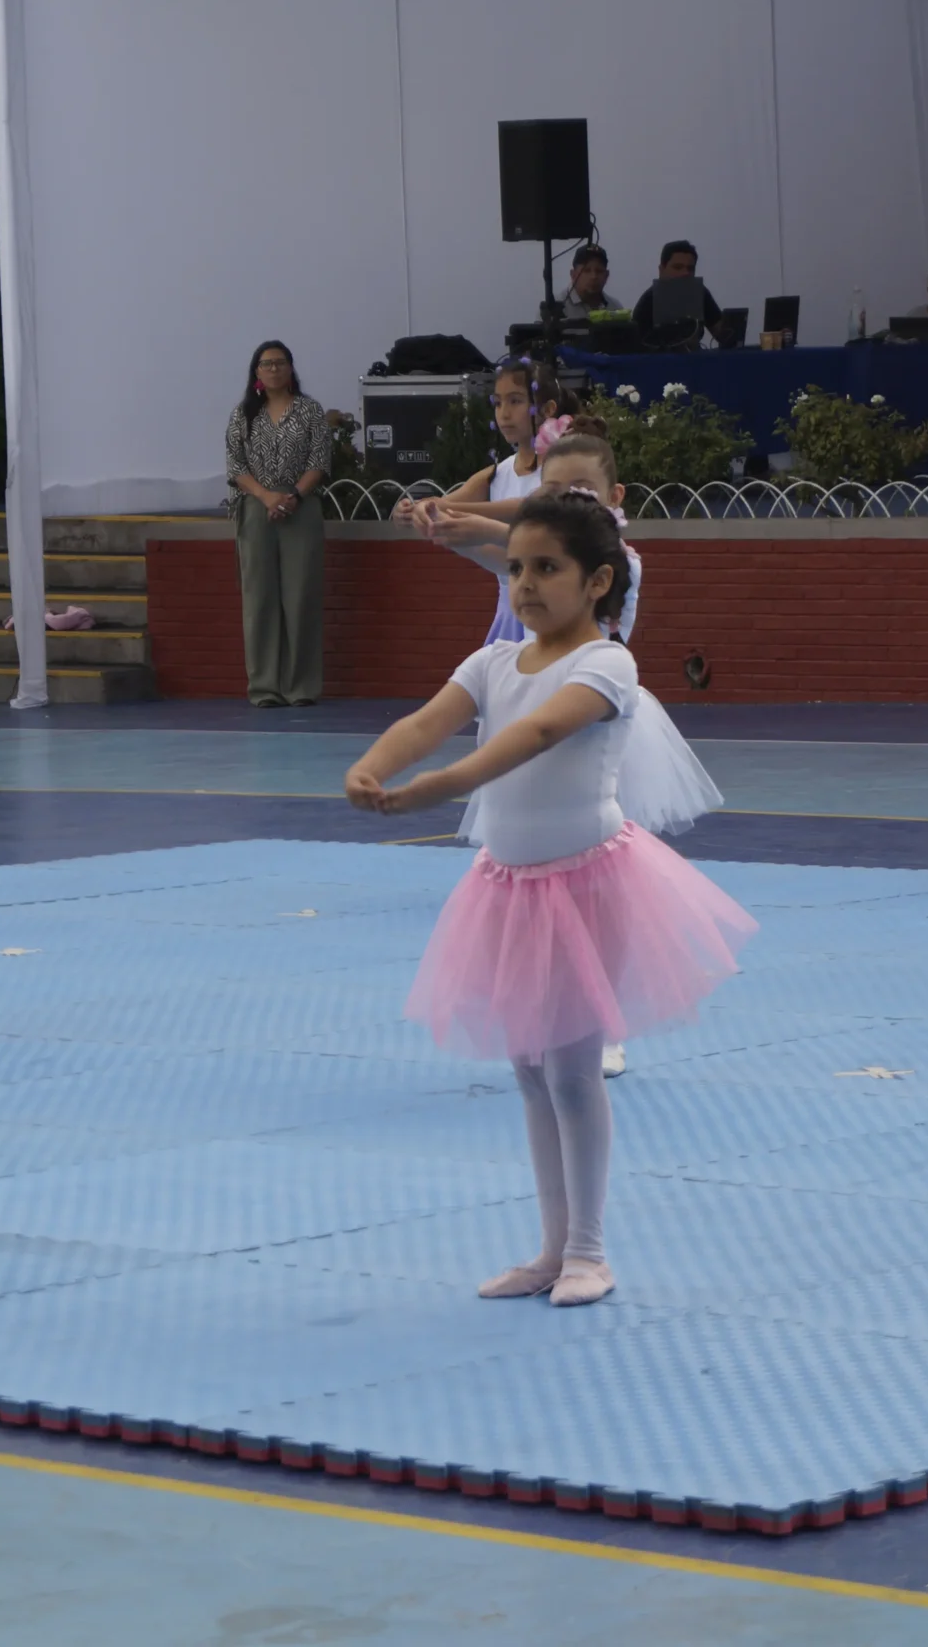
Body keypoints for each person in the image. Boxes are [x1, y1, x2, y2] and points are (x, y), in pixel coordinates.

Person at [345, 493, 755, 1306]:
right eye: (515, 569)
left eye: (546, 568)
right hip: (509, 888)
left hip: (588, 885)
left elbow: (532, 736)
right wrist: (375, 764)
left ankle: (590, 1252)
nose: (525, 584)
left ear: (598, 581)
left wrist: (439, 787)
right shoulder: (493, 662)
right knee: (529, 1069)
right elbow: (426, 722)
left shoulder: (606, 665)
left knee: (570, 1070)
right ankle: (551, 1248)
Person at [425, 416, 726, 1081]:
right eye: (553, 492)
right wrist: (446, 524)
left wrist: (469, 518)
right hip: (533, 712)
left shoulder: (622, 563)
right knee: (531, 885)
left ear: (614, 499)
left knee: (603, 887)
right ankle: (543, 1016)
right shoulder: (533, 558)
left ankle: (602, 1023)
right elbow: (496, 552)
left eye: (581, 492)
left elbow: (509, 538)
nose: (566, 503)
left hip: (601, 721)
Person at [392, 358, 568, 646]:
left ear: (548, 409)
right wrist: (413, 511)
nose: (504, 413)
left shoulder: (565, 468)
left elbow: (525, 508)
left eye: (515, 401)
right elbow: (439, 508)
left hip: (553, 612)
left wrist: (445, 510)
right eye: (498, 403)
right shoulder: (495, 474)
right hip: (510, 616)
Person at [226, 340, 332, 708]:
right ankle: (265, 687)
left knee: (300, 597)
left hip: (300, 506)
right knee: (260, 600)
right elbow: (236, 466)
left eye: (280, 363)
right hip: (257, 507)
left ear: (290, 368)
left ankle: (300, 687)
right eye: (266, 363)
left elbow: (319, 461)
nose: (274, 369)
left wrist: (292, 497)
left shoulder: (309, 410)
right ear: (256, 371)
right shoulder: (244, 414)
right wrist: (267, 497)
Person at [630, 240, 722, 352]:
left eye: (690, 268)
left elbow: (723, 333)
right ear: (661, 270)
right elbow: (636, 350)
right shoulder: (648, 301)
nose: (685, 273)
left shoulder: (700, 293)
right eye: (678, 267)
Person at [559, 245, 615, 332]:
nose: (593, 276)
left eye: (599, 271)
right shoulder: (554, 308)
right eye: (586, 271)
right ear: (573, 275)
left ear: (606, 276)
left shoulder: (615, 308)